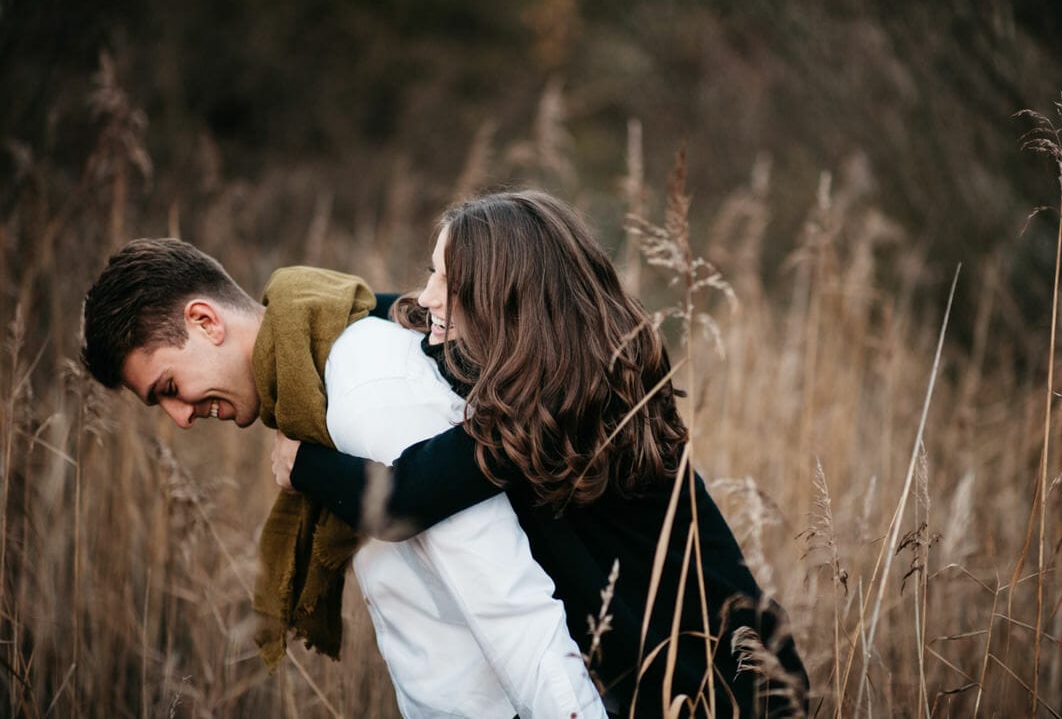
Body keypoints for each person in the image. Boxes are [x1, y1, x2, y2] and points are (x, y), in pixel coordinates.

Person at [278, 190, 810, 717]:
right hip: (685, 669)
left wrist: (301, 463)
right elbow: (410, 310)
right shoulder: (578, 361)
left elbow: (398, 503)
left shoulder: (558, 408)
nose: (428, 295)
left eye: (448, 281)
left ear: (506, 300)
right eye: (431, 272)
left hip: (715, 683)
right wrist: (319, 309)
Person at [80, 238, 606, 718]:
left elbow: (507, 602)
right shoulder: (315, 390)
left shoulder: (363, 390)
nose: (179, 417)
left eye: (169, 386)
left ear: (204, 321)